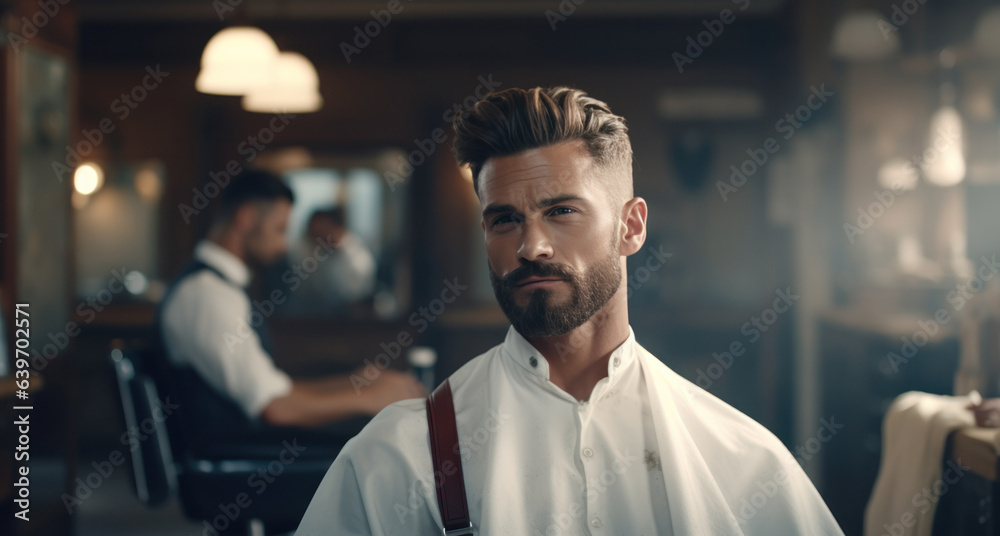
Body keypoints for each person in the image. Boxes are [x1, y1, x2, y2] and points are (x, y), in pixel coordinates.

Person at [296, 87, 845, 535]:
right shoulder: (402, 456)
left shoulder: (739, 459)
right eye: (504, 220)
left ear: (631, 226)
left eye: (561, 211)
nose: (531, 246)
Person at [158, 169, 423, 446]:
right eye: (279, 230)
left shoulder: (212, 288)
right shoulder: (206, 295)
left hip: (241, 453)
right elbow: (275, 408)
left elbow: (274, 388)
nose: (284, 245)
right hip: (234, 467)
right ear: (246, 217)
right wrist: (371, 398)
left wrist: (355, 382)